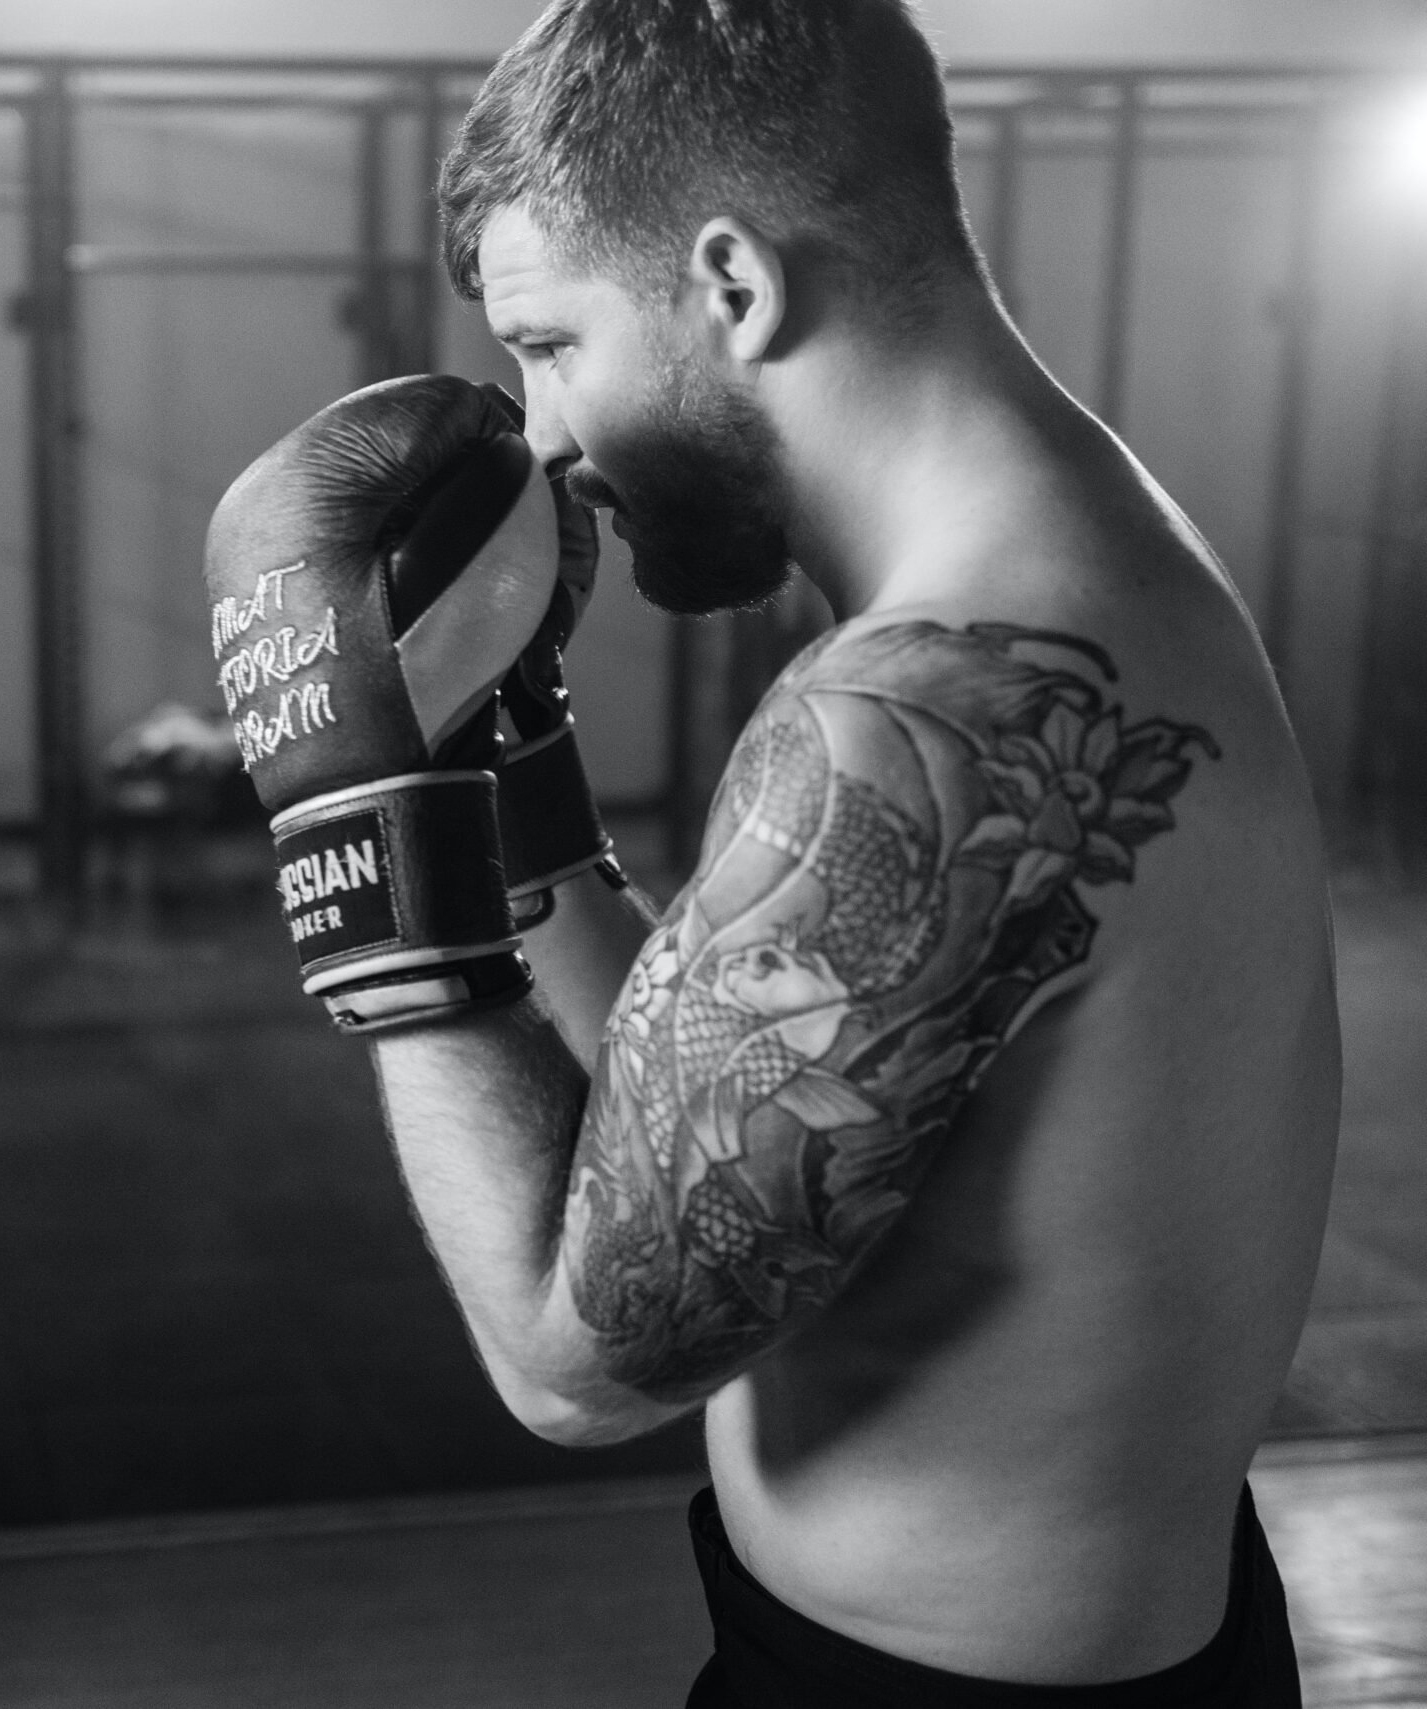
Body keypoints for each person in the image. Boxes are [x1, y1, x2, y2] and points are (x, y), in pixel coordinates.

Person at [204, 1, 1335, 1700]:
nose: (545, 439)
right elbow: (699, 1109)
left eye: (553, 341)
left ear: (732, 283)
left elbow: (571, 1362)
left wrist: (361, 839)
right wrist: (501, 756)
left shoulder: (925, 710)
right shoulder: (1088, 562)